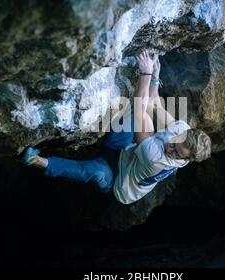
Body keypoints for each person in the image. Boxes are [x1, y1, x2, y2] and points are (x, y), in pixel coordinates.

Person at [22, 51, 211, 204]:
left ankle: (38, 161)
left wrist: (144, 73)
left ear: (187, 159)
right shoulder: (181, 130)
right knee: (135, 111)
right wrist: (154, 76)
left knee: (96, 171)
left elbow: (140, 110)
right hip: (125, 152)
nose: (171, 150)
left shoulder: (156, 159)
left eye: (177, 154)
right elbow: (155, 105)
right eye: (174, 145)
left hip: (118, 181)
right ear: (183, 133)